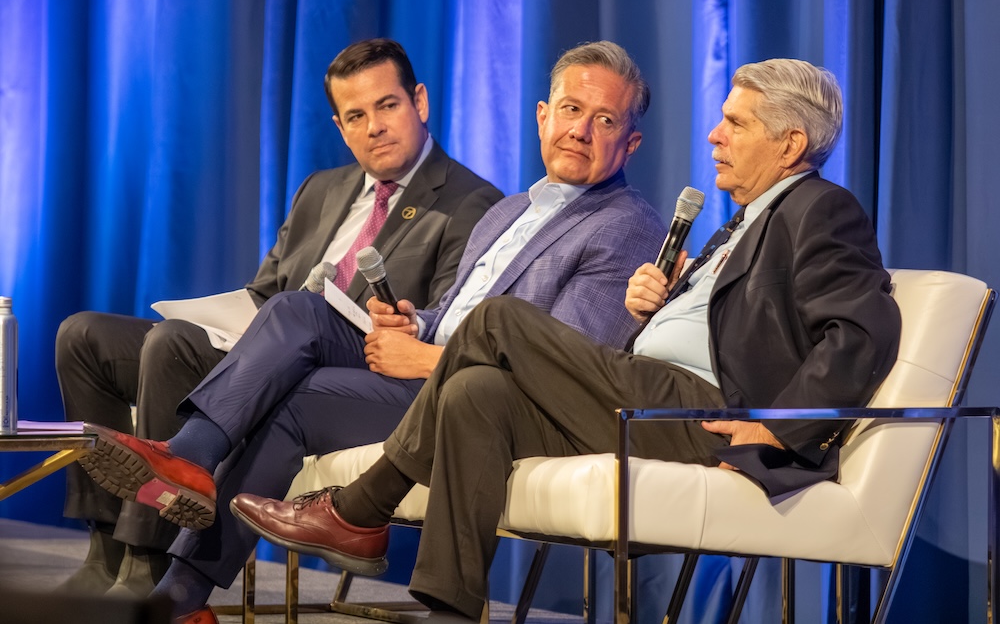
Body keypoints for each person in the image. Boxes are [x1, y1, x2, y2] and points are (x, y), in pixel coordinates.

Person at [231, 58, 903, 622]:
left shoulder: (820, 207)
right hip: (644, 397)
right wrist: (663, 306)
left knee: (497, 320)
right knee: (475, 392)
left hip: (700, 411)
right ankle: (450, 610)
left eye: (736, 122)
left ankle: (360, 507)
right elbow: (732, 320)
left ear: (789, 144)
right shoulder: (742, 221)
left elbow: (862, 330)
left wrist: (779, 427)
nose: (714, 134)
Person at [77, 41, 668, 623]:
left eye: (604, 120)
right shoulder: (510, 211)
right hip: (427, 366)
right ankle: (190, 457)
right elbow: (450, 313)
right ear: (543, 115)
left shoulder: (625, 226)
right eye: (570, 109)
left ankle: (180, 596)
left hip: (472, 401)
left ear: (631, 142)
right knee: (295, 309)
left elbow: (560, 367)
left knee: (297, 398)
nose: (580, 131)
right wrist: (414, 321)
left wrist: (426, 358)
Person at [56, 38, 503, 597]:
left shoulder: (471, 202)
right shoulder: (321, 189)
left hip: (355, 370)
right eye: (356, 116)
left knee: (174, 343)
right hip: (262, 354)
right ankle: (108, 551)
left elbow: (440, 323)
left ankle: (150, 556)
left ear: (420, 102)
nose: (374, 128)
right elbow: (265, 293)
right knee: (84, 336)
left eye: (388, 106)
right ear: (340, 127)